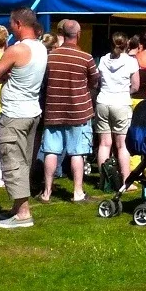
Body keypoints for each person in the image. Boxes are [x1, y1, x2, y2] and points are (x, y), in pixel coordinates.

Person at [0, 7, 48, 228]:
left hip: (15, 114)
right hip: (31, 111)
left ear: (19, 24)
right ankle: (17, 208)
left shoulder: (17, 49)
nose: (10, 27)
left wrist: (3, 75)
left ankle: (23, 213)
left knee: (13, 162)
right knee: (24, 161)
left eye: (11, 23)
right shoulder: (41, 48)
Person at [39, 19, 100, 204]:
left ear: (62, 34)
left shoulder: (50, 56)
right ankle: (78, 192)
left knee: (50, 150)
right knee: (77, 152)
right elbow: (95, 81)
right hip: (79, 110)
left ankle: (47, 192)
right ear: (79, 34)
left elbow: (45, 80)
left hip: (53, 109)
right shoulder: (86, 58)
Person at [95, 32, 140, 183]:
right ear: (127, 44)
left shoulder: (103, 60)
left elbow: (99, 81)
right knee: (122, 145)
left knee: (104, 143)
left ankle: (104, 179)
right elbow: (136, 86)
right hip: (121, 102)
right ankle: (126, 179)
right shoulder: (131, 62)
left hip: (103, 101)